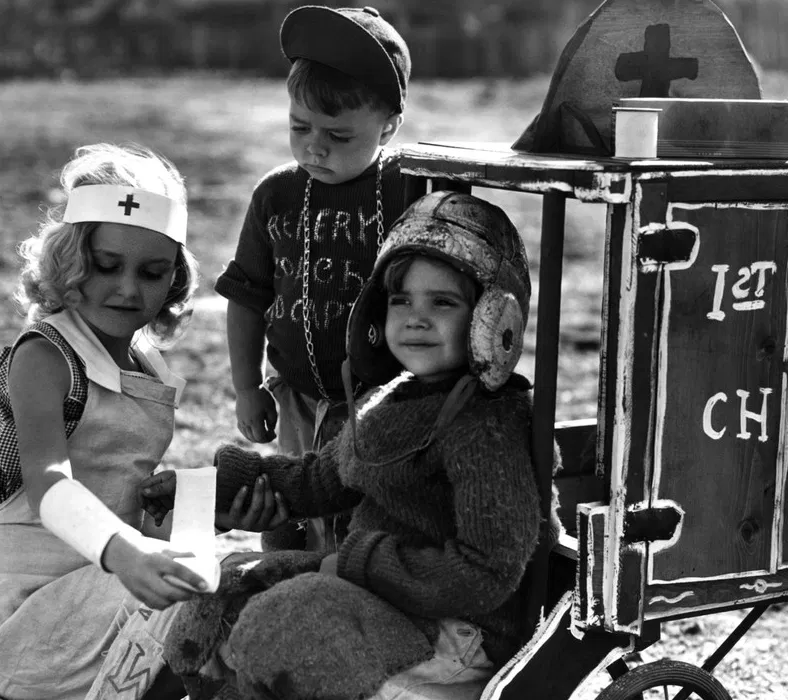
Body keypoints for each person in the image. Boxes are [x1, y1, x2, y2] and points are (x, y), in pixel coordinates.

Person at [143, 191, 560, 700]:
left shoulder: (487, 427)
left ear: (494, 319)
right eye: (401, 300)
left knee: (287, 625)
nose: (416, 318)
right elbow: (319, 481)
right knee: (226, 587)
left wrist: (358, 561)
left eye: (443, 302)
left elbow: (484, 572)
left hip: (462, 631)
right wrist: (212, 486)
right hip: (385, 595)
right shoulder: (394, 399)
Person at [0, 143, 206, 700]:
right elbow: (49, 485)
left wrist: (205, 506)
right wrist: (123, 549)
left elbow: (118, 491)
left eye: (152, 272)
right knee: (200, 602)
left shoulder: (144, 363)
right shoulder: (45, 356)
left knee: (235, 583)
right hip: (27, 617)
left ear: (175, 278)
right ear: (69, 260)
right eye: (106, 266)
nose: (128, 289)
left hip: (103, 586)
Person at [215, 4, 413, 554]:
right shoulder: (275, 194)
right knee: (291, 505)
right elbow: (246, 296)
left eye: (339, 134)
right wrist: (247, 388)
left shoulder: (411, 188)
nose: (314, 146)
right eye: (299, 127)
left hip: (385, 403)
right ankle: (284, 584)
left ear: (389, 125)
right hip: (298, 397)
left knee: (367, 519)